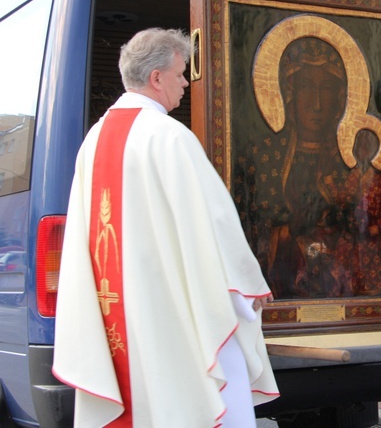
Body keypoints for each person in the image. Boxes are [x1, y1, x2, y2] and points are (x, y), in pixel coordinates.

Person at [52, 28, 279, 427]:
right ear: (156, 78)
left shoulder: (93, 140)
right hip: (174, 312)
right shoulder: (170, 137)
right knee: (195, 389)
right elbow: (213, 227)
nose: (185, 85)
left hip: (121, 312)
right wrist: (247, 288)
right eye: (180, 75)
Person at [241, 36, 381, 299]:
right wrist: (289, 231)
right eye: (305, 87)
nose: (316, 103)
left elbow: (372, 228)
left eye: (325, 89)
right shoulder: (263, 155)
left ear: (340, 97)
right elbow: (245, 228)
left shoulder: (350, 161)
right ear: (288, 91)